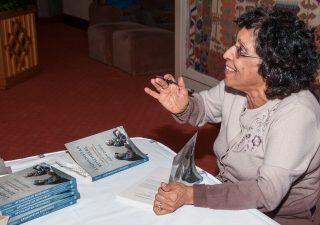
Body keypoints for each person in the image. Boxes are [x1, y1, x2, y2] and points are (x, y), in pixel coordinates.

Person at [144, 7, 320, 225]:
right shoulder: (237, 88)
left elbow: (267, 193)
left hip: (276, 218)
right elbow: (204, 107)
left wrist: (191, 195)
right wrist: (183, 106)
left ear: (272, 66)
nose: (227, 53)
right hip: (227, 196)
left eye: (241, 50)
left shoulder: (297, 113)